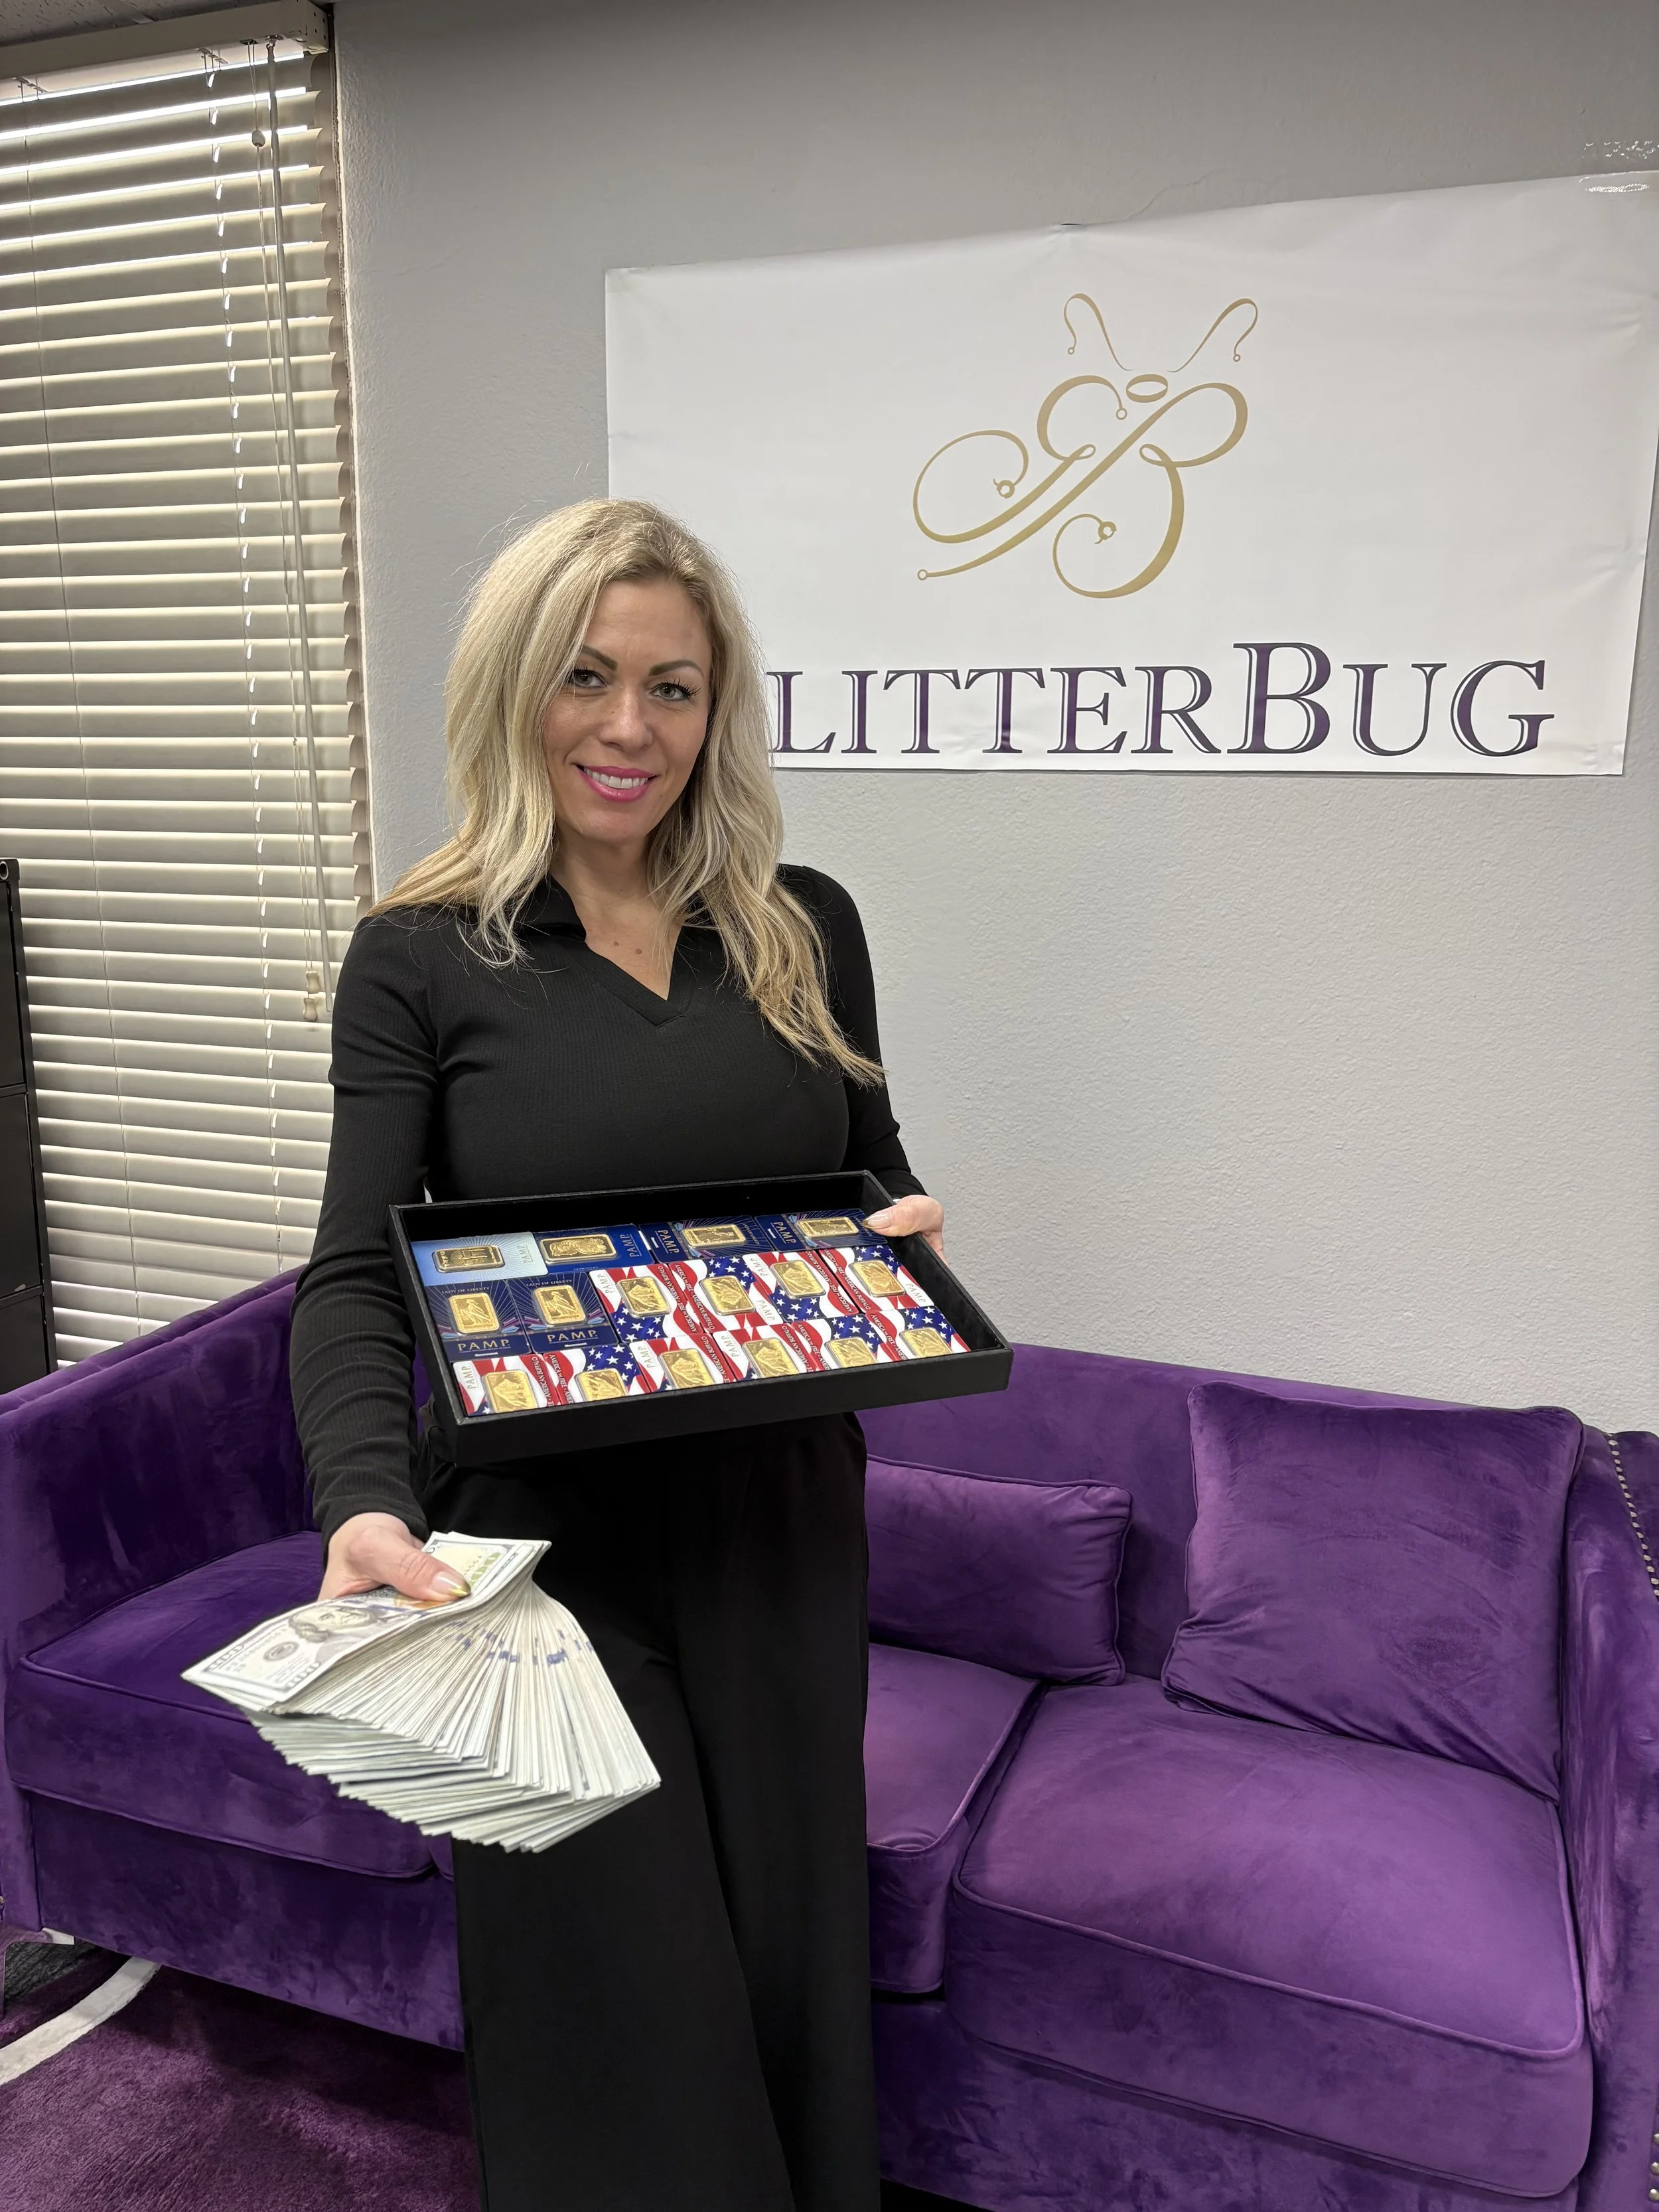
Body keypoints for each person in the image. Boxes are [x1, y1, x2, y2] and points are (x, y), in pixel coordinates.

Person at [288, 498, 944, 2212]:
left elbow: (862, 1182)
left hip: (783, 1522)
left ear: (718, 708)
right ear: (518, 687)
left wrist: (899, 1251)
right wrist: (362, 1495)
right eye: (586, 676)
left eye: (673, 684)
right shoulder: (424, 957)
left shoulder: (805, 920)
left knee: (788, 1973)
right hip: (538, 1555)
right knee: (614, 2007)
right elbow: (356, 1274)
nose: (628, 728)